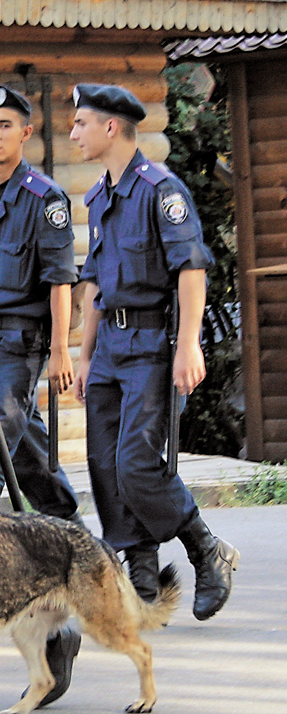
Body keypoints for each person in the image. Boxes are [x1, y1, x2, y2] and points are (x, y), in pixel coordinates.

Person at [69, 83, 239, 619]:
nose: (73, 133)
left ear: (111, 127)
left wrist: (189, 344)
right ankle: (141, 575)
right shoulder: (100, 197)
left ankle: (205, 548)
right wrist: (84, 355)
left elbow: (191, 268)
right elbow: (94, 283)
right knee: (104, 464)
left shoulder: (161, 190)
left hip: (153, 345)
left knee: (139, 463)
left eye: (81, 124)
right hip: (111, 348)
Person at [0, 84, 83, 707]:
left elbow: (61, 282)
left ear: (26, 133)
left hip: (21, 342)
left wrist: (62, 349)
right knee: (17, 446)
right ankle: (62, 519)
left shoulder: (46, 201)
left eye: (7, 124)